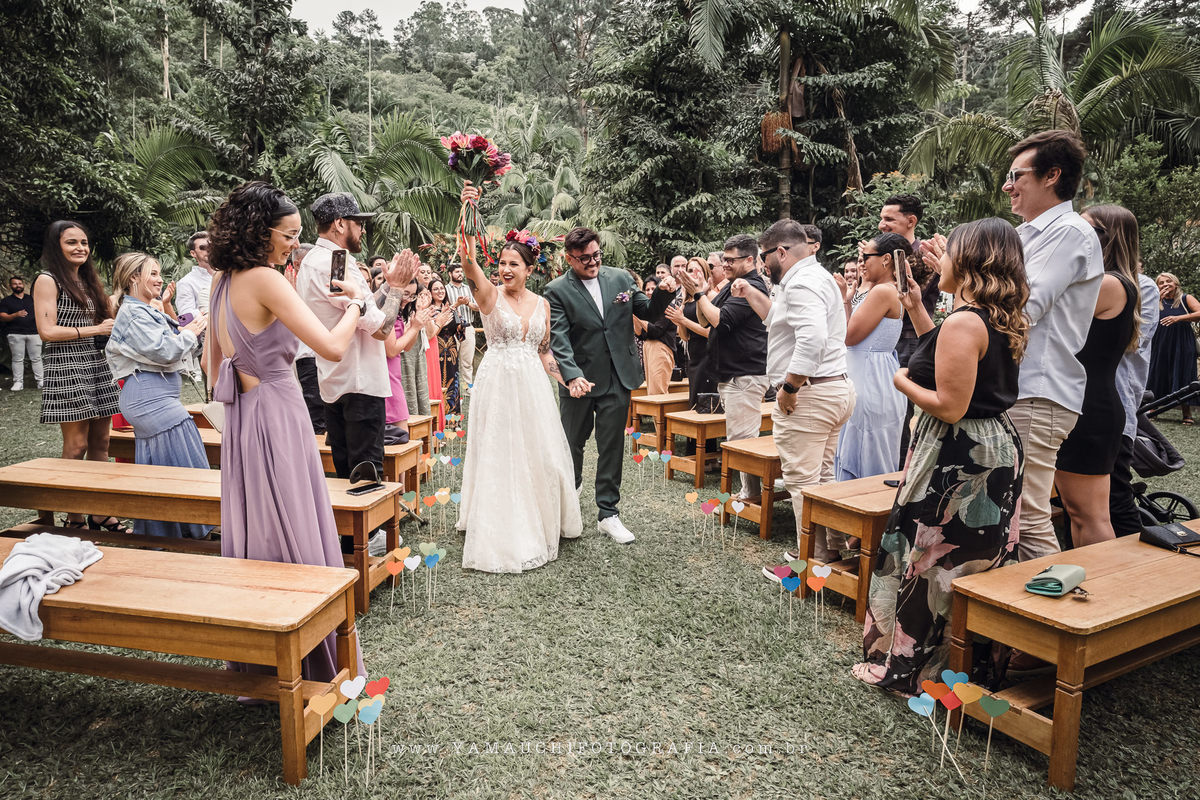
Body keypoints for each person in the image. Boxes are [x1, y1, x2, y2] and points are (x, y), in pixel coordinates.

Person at [206, 180, 383, 682]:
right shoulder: (265, 279)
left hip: (243, 414)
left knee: (259, 523)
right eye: (289, 235)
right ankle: (310, 656)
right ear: (261, 233)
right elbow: (329, 347)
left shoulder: (222, 281)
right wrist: (355, 305)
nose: (295, 244)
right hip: (279, 409)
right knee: (295, 521)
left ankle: (260, 656)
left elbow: (209, 360)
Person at [853, 218, 1027, 696]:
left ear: (970, 261)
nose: (938, 261)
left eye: (947, 252)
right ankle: (958, 663)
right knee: (968, 558)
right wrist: (917, 313)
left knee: (934, 557)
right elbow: (953, 360)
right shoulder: (987, 316)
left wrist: (901, 380)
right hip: (989, 445)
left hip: (958, 455)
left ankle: (912, 668)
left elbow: (950, 404)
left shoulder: (965, 321)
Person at [455, 218, 582, 571]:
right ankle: (502, 523)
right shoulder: (490, 295)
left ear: (530, 268)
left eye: (514, 264)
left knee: (539, 451)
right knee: (501, 451)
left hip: (534, 387)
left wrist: (568, 380)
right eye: (501, 263)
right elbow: (468, 260)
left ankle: (543, 515)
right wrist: (468, 211)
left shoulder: (543, 304)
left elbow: (544, 352)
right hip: (498, 384)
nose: (505, 269)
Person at [1003, 129, 1103, 561]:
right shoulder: (1026, 234)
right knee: (1008, 508)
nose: (1008, 185)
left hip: (1037, 390)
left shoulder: (1068, 233)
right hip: (1014, 387)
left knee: (1027, 513)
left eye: (1016, 175)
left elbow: (1025, 308)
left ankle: (1060, 621)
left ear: (1052, 176)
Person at [738, 221, 855, 568]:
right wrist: (750, 294)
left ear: (782, 252)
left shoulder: (801, 282)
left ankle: (811, 558)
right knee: (821, 476)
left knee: (801, 480)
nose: (762, 264)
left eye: (763, 256)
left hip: (810, 394)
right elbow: (779, 321)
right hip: (833, 388)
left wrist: (790, 387)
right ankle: (831, 548)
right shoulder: (815, 277)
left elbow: (813, 339)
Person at [544, 223, 654, 544]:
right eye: (584, 259)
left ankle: (609, 513)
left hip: (619, 378)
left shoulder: (620, 278)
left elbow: (648, 310)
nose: (593, 263)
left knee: (611, 447)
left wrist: (663, 291)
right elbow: (559, 337)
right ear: (569, 258)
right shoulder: (556, 290)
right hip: (579, 381)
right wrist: (572, 374)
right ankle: (569, 497)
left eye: (596, 255)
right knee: (571, 444)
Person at [296, 192, 414, 481]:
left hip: (333, 378)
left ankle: (348, 528)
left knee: (344, 468)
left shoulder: (311, 261)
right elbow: (380, 329)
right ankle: (373, 529)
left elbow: (359, 307)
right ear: (339, 223)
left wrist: (387, 285)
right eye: (358, 222)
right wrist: (397, 288)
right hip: (360, 381)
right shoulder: (339, 262)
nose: (362, 229)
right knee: (366, 472)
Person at [105, 252, 210, 539]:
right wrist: (189, 332)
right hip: (149, 399)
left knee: (166, 465)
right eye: (152, 273)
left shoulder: (144, 309)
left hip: (156, 396)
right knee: (184, 461)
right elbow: (164, 352)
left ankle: (170, 532)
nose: (159, 278)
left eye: (158, 273)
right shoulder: (133, 313)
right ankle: (192, 528)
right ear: (132, 278)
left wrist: (190, 330)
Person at [32, 220, 125, 532]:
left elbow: (103, 324)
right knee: (76, 445)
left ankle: (99, 511)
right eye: (72, 242)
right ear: (56, 246)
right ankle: (73, 515)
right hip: (67, 366)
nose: (80, 248)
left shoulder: (88, 281)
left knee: (102, 442)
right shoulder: (47, 280)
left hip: (97, 365)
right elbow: (46, 331)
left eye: (84, 243)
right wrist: (96, 329)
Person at [1054, 205, 1139, 547]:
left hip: (1090, 409)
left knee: (1089, 515)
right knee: (1078, 512)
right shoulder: (1107, 281)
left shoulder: (1108, 284)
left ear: (1105, 238)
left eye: (1083, 229)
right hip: (1084, 401)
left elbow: (1045, 315)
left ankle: (1108, 591)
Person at [681, 234, 769, 503]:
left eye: (730, 260)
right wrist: (702, 293)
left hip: (745, 372)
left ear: (750, 260)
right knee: (738, 435)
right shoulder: (729, 286)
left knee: (743, 438)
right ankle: (750, 491)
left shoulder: (751, 287)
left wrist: (699, 293)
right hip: (732, 372)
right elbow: (703, 318)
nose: (725, 264)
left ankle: (751, 494)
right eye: (724, 258)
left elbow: (720, 321)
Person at [833, 231, 906, 485]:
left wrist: (844, 302)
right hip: (877, 370)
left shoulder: (882, 292)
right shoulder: (889, 289)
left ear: (886, 260)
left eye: (866, 257)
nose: (862, 262)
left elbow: (849, 336)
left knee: (865, 450)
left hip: (868, 375)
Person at [1110, 246, 1159, 535]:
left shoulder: (1145, 287)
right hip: (1080, 403)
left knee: (1116, 496)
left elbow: (1134, 342)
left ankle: (1132, 568)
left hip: (1116, 397)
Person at [666, 257, 719, 413]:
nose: (692, 274)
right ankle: (694, 439)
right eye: (689, 271)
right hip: (693, 357)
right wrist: (680, 320)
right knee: (694, 403)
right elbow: (684, 336)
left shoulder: (709, 297)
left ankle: (706, 438)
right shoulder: (687, 299)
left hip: (708, 356)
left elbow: (712, 332)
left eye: (697, 271)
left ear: (705, 273)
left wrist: (683, 320)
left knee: (705, 407)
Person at [1147, 271, 1200, 424]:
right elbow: (1142, 315)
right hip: (1160, 342)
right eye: (1161, 283)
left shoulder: (1185, 299)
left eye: (1168, 281)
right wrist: (1157, 299)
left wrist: (1179, 318)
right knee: (1157, 372)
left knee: (1183, 373)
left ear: (1176, 283)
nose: (1165, 284)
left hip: (1182, 343)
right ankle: (1152, 409)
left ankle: (1187, 413)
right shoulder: (1155, 300)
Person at [383, 277, 429, 444]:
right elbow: (392, 349)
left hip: (395, 376)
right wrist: (415, 327)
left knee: (402, 438)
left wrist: (415, 324)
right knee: (397, 438)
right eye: (405, 294)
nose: (407, 300)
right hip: (385, 376)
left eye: (412, 296)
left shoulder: (399, 314)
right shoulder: (386, 312)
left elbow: (406, 347)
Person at [429, 277, 463, 416]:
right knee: (437, 380)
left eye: (442, 288)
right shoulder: (429, 310)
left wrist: (460, 323)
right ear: (430, 292)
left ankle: (452, 415)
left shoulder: (451, 309)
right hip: (436, 349)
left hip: (451, 350)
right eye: (436, 289)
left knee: (452, 380)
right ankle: (439, 415)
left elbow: (460, 334)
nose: (440, 291)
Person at [1, 275, 41, 390]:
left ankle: (40, 381)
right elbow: (2, 317)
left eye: (19, 283)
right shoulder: (6, 301)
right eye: (15, 284)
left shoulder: (32, 299)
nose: (18, 285)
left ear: (22, 285)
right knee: (17, 359)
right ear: (10, 286)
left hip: (34, 333)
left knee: (37, 358)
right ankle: (18, 382)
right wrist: (15, 315)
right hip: (15, 333)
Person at [445, 263, 478, 394]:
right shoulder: (445, 289)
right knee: (450, 361)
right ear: (450, 273)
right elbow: (443, 308)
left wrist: (467, 303)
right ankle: (451, 389)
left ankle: (467, 388)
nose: (460, 274)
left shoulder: (469, 289)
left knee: (467, 361)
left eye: (461, 272)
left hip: (468, 327)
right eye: (457, 272)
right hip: (451, 329)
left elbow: (478, 307)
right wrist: (457, 303)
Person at [175, 231, 214, 320]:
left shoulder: (228, 275)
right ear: (193, 253)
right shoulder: (186, 282)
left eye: (211, 246)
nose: (208, 250)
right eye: (203, 247)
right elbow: (184, 316)